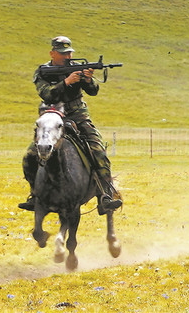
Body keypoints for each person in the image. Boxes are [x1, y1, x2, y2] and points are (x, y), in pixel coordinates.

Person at [19, 36, 122, 214]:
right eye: (63, 53)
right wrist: (66, 82)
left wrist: (88, 80)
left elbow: (93, 91)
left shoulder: (77, 69)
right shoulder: (43, 71)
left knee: (98, 150)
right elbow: (47, 95)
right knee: (30, 156)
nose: (67, 56)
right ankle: (34, 195)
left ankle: (106, 195)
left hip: (78, 116)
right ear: (52, 53)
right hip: (51, 119)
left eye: (69, 53)